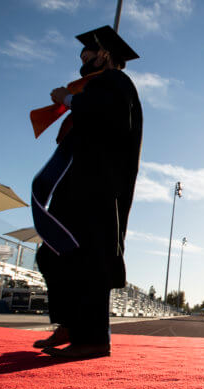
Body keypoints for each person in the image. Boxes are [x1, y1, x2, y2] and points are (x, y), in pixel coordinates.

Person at [31, 26, 142, 358]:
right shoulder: (102, 85)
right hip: (80, 181)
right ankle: (69, 323)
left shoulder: (116, 83)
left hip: (97, 186)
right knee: (52, 252)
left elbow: (106, 116)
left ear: (105, 54)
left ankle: (93, 338)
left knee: (90, 258)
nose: (82, 57)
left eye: (88, 52)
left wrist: (66, 99)